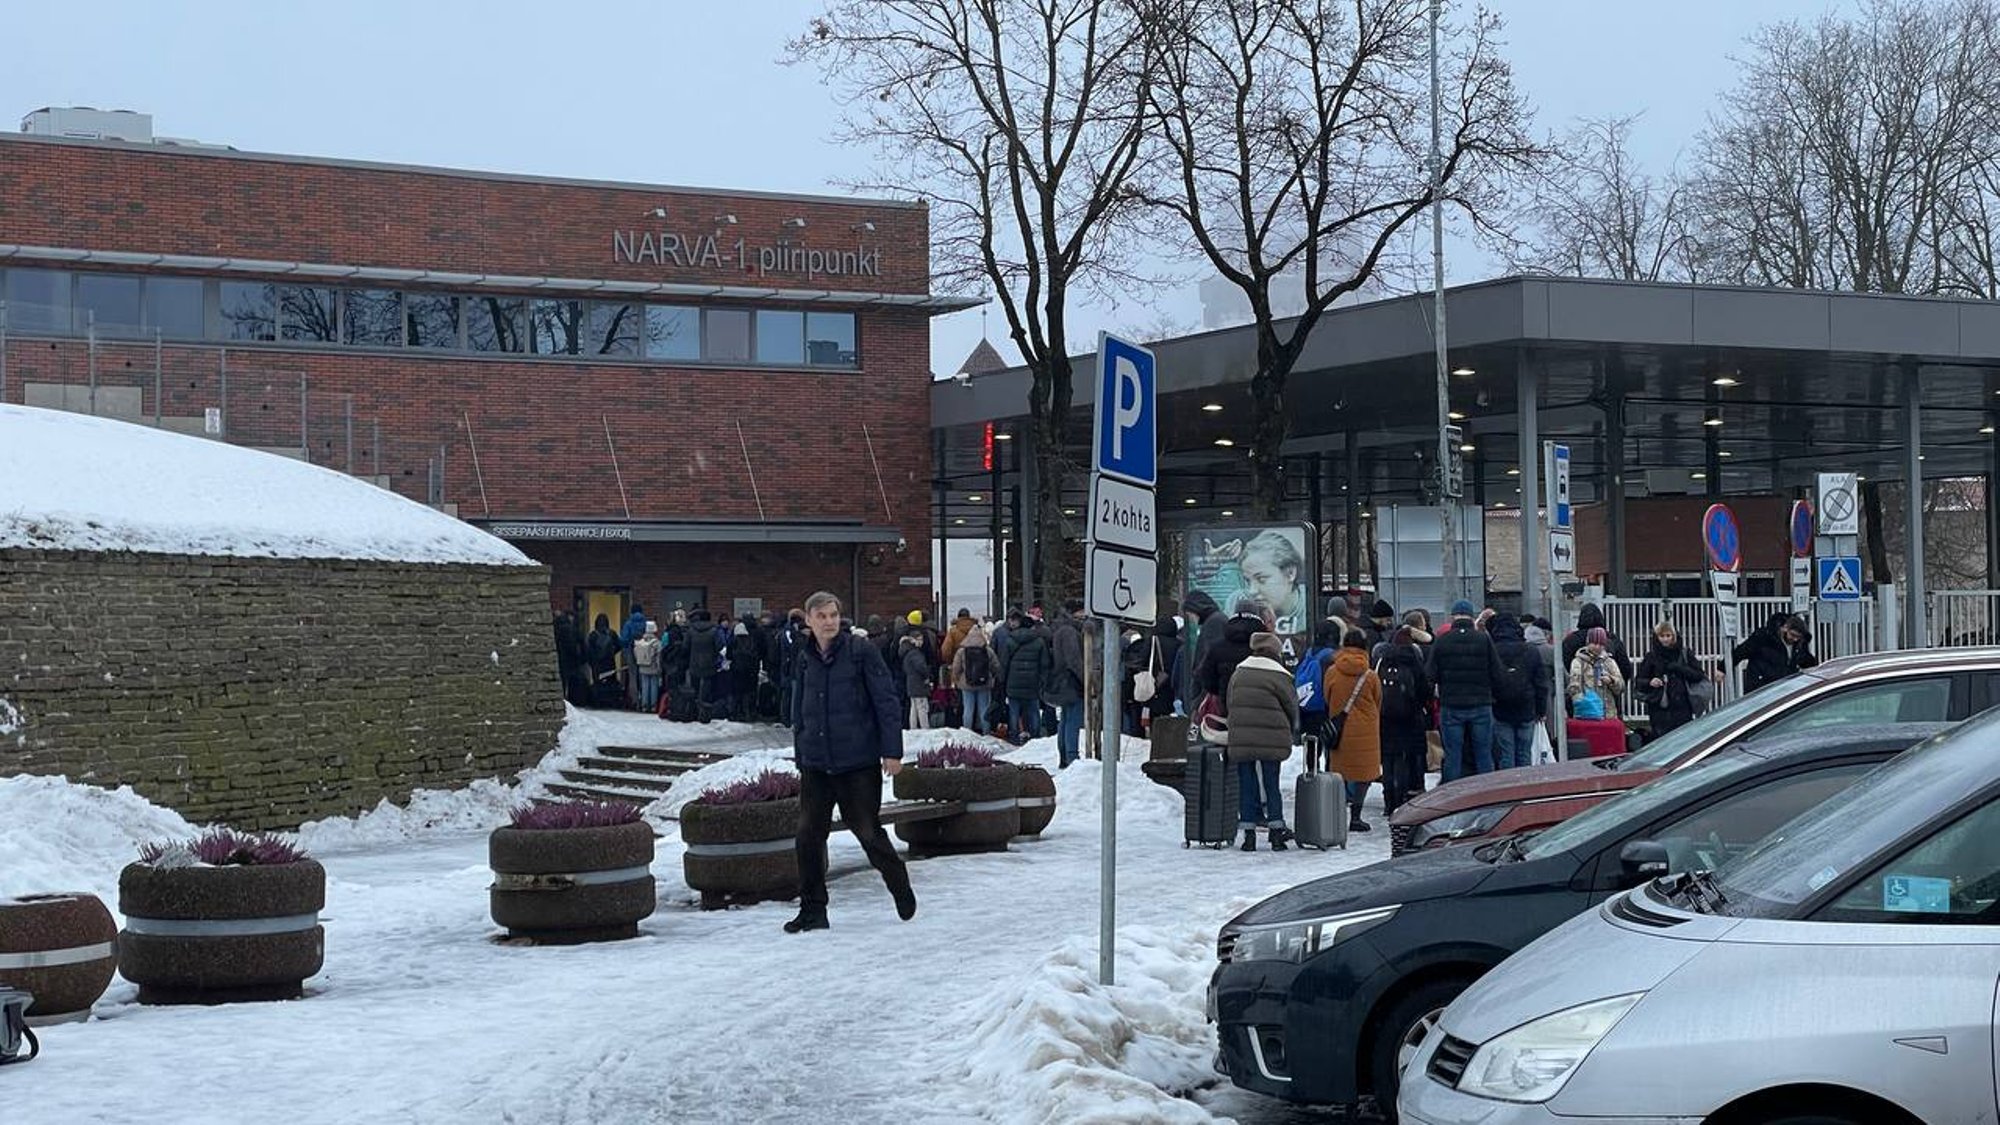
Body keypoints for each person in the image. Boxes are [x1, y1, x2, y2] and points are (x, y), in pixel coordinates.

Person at [786, 590, 915, 933]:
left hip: (857, 761)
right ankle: (813, 909)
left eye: (833, 615)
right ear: (809, 620)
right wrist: (801, 749)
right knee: (807, 836)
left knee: (868, 833)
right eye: (821, 616)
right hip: (816, 762)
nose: (828, 622)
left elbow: (886, 701)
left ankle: (899, 884)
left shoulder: (861, 652)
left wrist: (892, 751)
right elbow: (799, 707)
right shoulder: (804, 656)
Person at [1226, 632, 1299, 852]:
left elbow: (1230, 701)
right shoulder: (1279, 675)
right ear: (1275, 651)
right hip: (1272, 736)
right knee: (1271, 783)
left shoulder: (1239, 672)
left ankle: (1249, 836)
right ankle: (1276, 832)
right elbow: (1291, 704)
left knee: (1246, 784)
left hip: (1243, 736)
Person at [1426, 600, 1506, 781]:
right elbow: (1498, 672)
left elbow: (1430, 674)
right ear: (1471, 617)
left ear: (1453, 617)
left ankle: (1453, 797)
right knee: (1483, 754)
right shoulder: (1483, 639)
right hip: (1481, 704)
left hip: (1451, 705)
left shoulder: (1443, 640)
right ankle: (1486, 793)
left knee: (1453, 756)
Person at [1321, 629, 1383, 833]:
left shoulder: (1332, 671)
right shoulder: (1370, 675)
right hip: (1366, 732)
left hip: (1340, 730)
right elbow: (1378, 700)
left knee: (1339, 773)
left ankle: (1337, 814)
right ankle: (1356, 816)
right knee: (1364, 774)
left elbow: (1327, 697)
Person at [1375, 625, 1435, 817]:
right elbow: (1425, 690)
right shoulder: (1413, 661)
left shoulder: (1382, 660)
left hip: (1385, 719)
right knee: (1402, 759)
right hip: (1409, 718)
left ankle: (1388, 801)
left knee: (1387, 759)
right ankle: (1400, 798)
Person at [1487, 615, 1548, 769]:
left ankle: (1507, 787)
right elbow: (1540, 683)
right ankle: (1524, 786)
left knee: (1506, 753)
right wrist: (1541, 710)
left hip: (1500, 708)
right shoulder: (1531, 650)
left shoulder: (1492, 650)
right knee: (1524, 753)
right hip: (1526, 708)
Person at [1195, 593, 1269, 717]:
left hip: (1228, 708)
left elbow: (1207, 679)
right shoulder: (1265, 646)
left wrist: (1222, 691)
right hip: (1261, 708)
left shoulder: (1218, 647)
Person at [1637, 620, 1709, 737]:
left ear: (1674, 636)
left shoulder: (1684, 653)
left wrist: (1678, 668)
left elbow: (1698, 675)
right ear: (1656, 637)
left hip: (1682, 707)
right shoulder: (1651, 657)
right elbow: (1639, 681)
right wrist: (1651, 682)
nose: (1665, 639)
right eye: (1662, 636)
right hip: (1659, 708)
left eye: (1668, 635)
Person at [1233, 530, 1311, 634]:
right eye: (1247, 581)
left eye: (1261, 579)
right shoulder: (1236, 602)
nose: (1252, 591)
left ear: (1290, 573)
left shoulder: (1310, 606)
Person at [999, 611, 1051, 743]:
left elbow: (1004, 663)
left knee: (1014, 711)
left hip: (1013, 682)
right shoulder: (1039, 641)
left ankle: (1014, 736)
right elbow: (1045, 664)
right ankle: (1035, 736)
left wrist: (1002, 680)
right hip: (1032, 682)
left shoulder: (1010, 640)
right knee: (1033, 710)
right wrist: (1042, 681)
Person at [1047, 600, 1089, 767]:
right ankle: (1072, 757)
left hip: (1063, 680)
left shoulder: (1060, 629)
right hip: (1071, 681)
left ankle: (1065, 755)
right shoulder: (1069, 631)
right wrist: (1085, 679)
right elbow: (1074, 660)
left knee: (1065, 718)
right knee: (1072, 719)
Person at [1735, 613, 1819, 692]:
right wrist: (1722, 668)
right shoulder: (1764, 637)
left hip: (1783, 688)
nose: (1795, 639)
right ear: (1785, 628)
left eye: (1798, 637)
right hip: (1761, 687)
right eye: (1793, 635)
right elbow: (1741, 651)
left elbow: (1806, 661)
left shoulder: (1798, 645)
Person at [1561, 603, 1633, 684]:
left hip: (1581, 689)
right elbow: (1625, 667)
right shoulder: (1612, 638)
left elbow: (1566, 665)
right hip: (1607, 689)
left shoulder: (1571, 640)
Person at [1180, 589, 1226, 713]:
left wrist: (1197, 699)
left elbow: (1208, 660)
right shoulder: (1217, 620)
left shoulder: (1213, 623)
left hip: (1207, 694)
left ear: (1196, 609)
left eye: (1189, 614)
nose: (1190, 619)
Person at [1568, 627, 1627, 719]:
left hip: (1608, 714)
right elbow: (1574, 686)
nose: (1597, 647)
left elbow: (1621, 687)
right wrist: (1584, 704)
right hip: (1586, 714)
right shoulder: (1578, 662)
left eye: (1601, 644)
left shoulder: (1609, 662)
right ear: (1588, 643)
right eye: (1594, 643)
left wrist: (1611, 681)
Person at [950, 623, 997, 734]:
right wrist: (993, 677)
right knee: (984, 709)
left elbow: (956, 668)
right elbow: (995, 665)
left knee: (968, 709)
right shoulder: (987, 650)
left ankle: (967, 732)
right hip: (984, 684)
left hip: (967, 684)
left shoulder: (962, 651)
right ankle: (986, 732)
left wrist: (956, 680)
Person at [685, 608, 720, 722]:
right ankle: (705, 712)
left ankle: (693, 710)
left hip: (694, 662)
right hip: (709, 662)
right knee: (707, 687)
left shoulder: (691, 630)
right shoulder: (714, 631)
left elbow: (686, 647)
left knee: (694, 687)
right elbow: (719, 646)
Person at [899, 629, 933, 730]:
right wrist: (928, 674)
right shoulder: (915, 653)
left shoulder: (906, 651)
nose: (921, 642)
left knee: (914, 707)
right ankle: (925, 728)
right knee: (922, 707)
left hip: (911, 682)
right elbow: (921, 667)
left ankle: (913, 727)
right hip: (919, 682)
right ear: (913, 640)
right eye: (919, 639)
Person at [553, 611, 588, 707]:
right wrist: (581, 658)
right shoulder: (572, 629)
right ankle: (572, 700)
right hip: (572, 659)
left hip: (559, 658)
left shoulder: (555, 629)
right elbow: (580, 644)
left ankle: (561, 698)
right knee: (572, 680)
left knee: (562, 680)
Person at [620, 603, 649, 708]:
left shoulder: (628, 623)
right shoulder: (646, 623)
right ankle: (645, 700)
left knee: (633, 676)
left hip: (631, 650)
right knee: (644, 676)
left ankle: (635, 701)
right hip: (645, 653)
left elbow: (623, 639)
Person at [633, 620, 663, 713]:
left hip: (642, 666)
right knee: (653, 686)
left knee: (644, 686)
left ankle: (644, 706)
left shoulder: (640, 642)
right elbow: (658, 656)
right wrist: (659, 667)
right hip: (653, 666)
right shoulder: (656, 642)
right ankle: (653, 706)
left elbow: (635, 654)